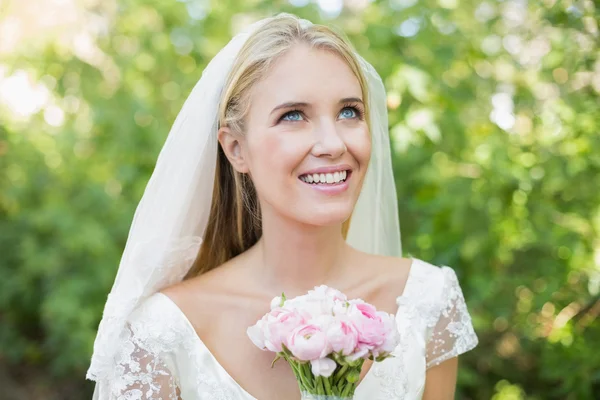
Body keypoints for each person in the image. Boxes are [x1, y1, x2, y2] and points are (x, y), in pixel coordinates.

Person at [87, 13, 478, 400]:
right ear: (236, 148)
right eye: (294, 115)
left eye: (349, 112)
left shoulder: (427, 300)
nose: (333, 143)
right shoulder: (161, 333)